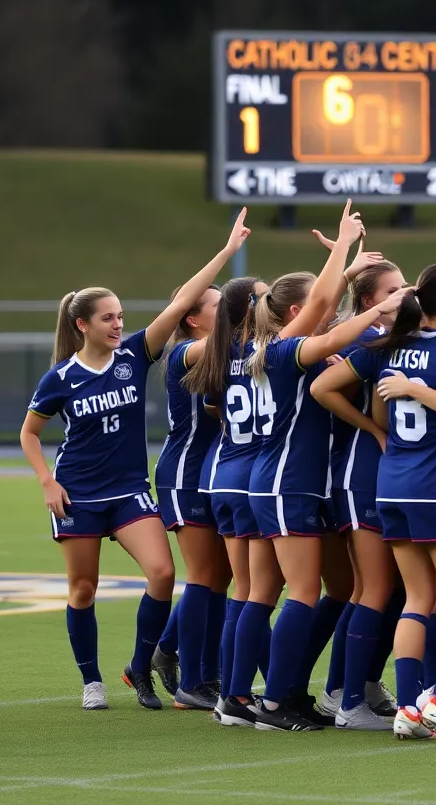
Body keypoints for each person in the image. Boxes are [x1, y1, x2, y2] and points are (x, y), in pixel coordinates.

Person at [20, 210, 251, 711]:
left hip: (128, 489)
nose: (118, 323)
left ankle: (142, 666)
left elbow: (185, 302)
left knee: (163, 574)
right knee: (83, 588)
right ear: (82, 324)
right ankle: (91, 680)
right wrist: (45, 482)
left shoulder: (134, 355)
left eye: (121, 315)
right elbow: (30, 433)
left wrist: (228, 250)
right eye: (108, 317)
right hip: (77, 491)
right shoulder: (61, 377)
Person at [313, 262, 436, 743]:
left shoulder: (388, 347)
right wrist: (419, 390)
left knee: (417, 598)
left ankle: (409, 707)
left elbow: (323, 388)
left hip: (391, 487)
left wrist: (374, 428)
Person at [241, 249, 408, 732]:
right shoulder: (281, 350)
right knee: (300, 593)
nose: (330, 313)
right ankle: (273, 702)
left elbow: (328, 321)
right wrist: (359, 283)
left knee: (326, 591)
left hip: (299, 484)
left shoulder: (296, 348)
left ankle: (290, 692)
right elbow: (328, 320)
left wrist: (351, 272)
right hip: (283, 482)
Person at [318, 258, 409, 730]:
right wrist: (372, 427)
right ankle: (347, 699)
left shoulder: (391, 338)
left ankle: (359, 686)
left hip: (390, 477)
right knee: (371, 589)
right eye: (393, 289)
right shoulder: (358, 340)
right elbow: (323, 388)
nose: (404, 294)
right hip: (358, 475)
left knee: (388, 590)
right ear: (370, 301)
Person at [185, 274, 266, 724]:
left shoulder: (221, 353)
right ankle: (236, 695)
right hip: (252, 478)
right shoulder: (263, 352)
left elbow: (219, 407)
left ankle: (231, 694)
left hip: (223, 475)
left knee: (244, 589)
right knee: (259, 592)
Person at [151, 284, 230, 711]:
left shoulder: (215, 349)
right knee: (203, 575)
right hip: (183, 472)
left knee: (219, 577)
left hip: (212, 472)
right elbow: (230, 345)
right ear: (193, 319)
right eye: (220, 307)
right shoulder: (186, 351)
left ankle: (189, 664)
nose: (230, 313)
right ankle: (193, 681)